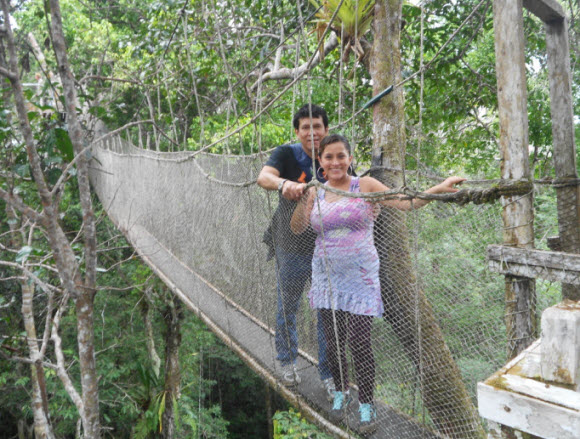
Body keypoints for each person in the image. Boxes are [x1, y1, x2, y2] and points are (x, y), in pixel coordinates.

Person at [290, 133, 465, 433]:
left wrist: (438, 189)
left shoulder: (365, 186)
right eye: (328, 157)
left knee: (360, 344)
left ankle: (367, 405)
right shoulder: (316, 192)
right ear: (320, 161)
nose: (335, 162)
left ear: (350, 158)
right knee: (333, 345)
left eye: (341, 156)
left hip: (360, 278)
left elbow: (406, 202)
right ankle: (342, 393)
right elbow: (297, 229)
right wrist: (302, 197)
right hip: (326, 278)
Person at [256, 104, 335, 399]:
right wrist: (283, 183)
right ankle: (287, 361)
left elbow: (352, 184)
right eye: (306, 127)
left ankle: (329, 374)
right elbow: (263, 177)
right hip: (290, 245)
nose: (312, 132)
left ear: (326, 130)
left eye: (318, 126)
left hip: (327, 245)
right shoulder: (286, 154)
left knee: (327, 311)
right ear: (297, 131)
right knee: (288, 305)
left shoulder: (333, 155)